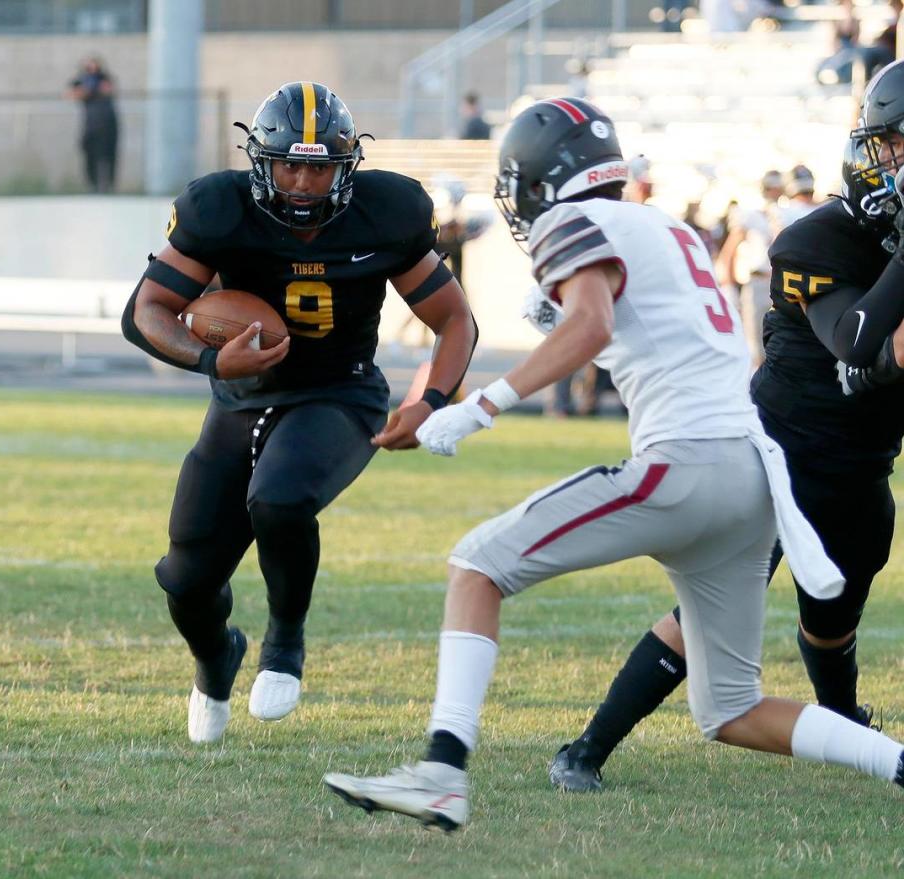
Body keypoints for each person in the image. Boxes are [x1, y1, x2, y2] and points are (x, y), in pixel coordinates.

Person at [322, 96, 904, 830]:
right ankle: (900, 761)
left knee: (477, 565)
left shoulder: (573, 222)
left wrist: (478, 406)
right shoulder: (668, 228)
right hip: (754, 480)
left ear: (540, 179)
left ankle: (441, 771)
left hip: (688, 465)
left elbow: (593, 322)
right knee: (730, 707)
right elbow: (614, 305)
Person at [540, 60, 904, 795]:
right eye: (895, 144)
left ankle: (844, 728)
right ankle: (586, 747)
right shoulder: (815, 239)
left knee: (833, 620)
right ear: (871, 149)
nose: (898, 161)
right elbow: (862, 344)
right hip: (776, 456)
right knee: (699, 617)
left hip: (862, 464)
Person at [121, 81, 477, 743]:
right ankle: (214, 657)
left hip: (338, 394)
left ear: (346, 167)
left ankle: (285, 641)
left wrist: (429, 400)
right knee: (184, 577)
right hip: (241, 399)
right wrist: (208, 363)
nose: (304, 180)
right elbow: (144, 311)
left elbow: (453, 319)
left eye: (319, 166)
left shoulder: (388, 213)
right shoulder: (218, 209)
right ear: (262, 160)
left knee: (280, 498)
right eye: (290, 163)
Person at [715, 169, 785, 370]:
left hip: (779, 283)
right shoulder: (751, 215)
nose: (774, 191)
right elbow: (729, 251)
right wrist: (728, 285)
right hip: (757, 281)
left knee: (779, 341)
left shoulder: (783, 212)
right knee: (756, 345)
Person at [67, 57, 119, 193]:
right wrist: (88, 90)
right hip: (90, 124)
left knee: (107, 156)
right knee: (89, 155)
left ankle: (107, 186)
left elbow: (108, 90)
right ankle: (93, 185)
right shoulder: (81, 80)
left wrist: (90, 90)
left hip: (107, 123)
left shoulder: (104, 77)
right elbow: (73, 93)